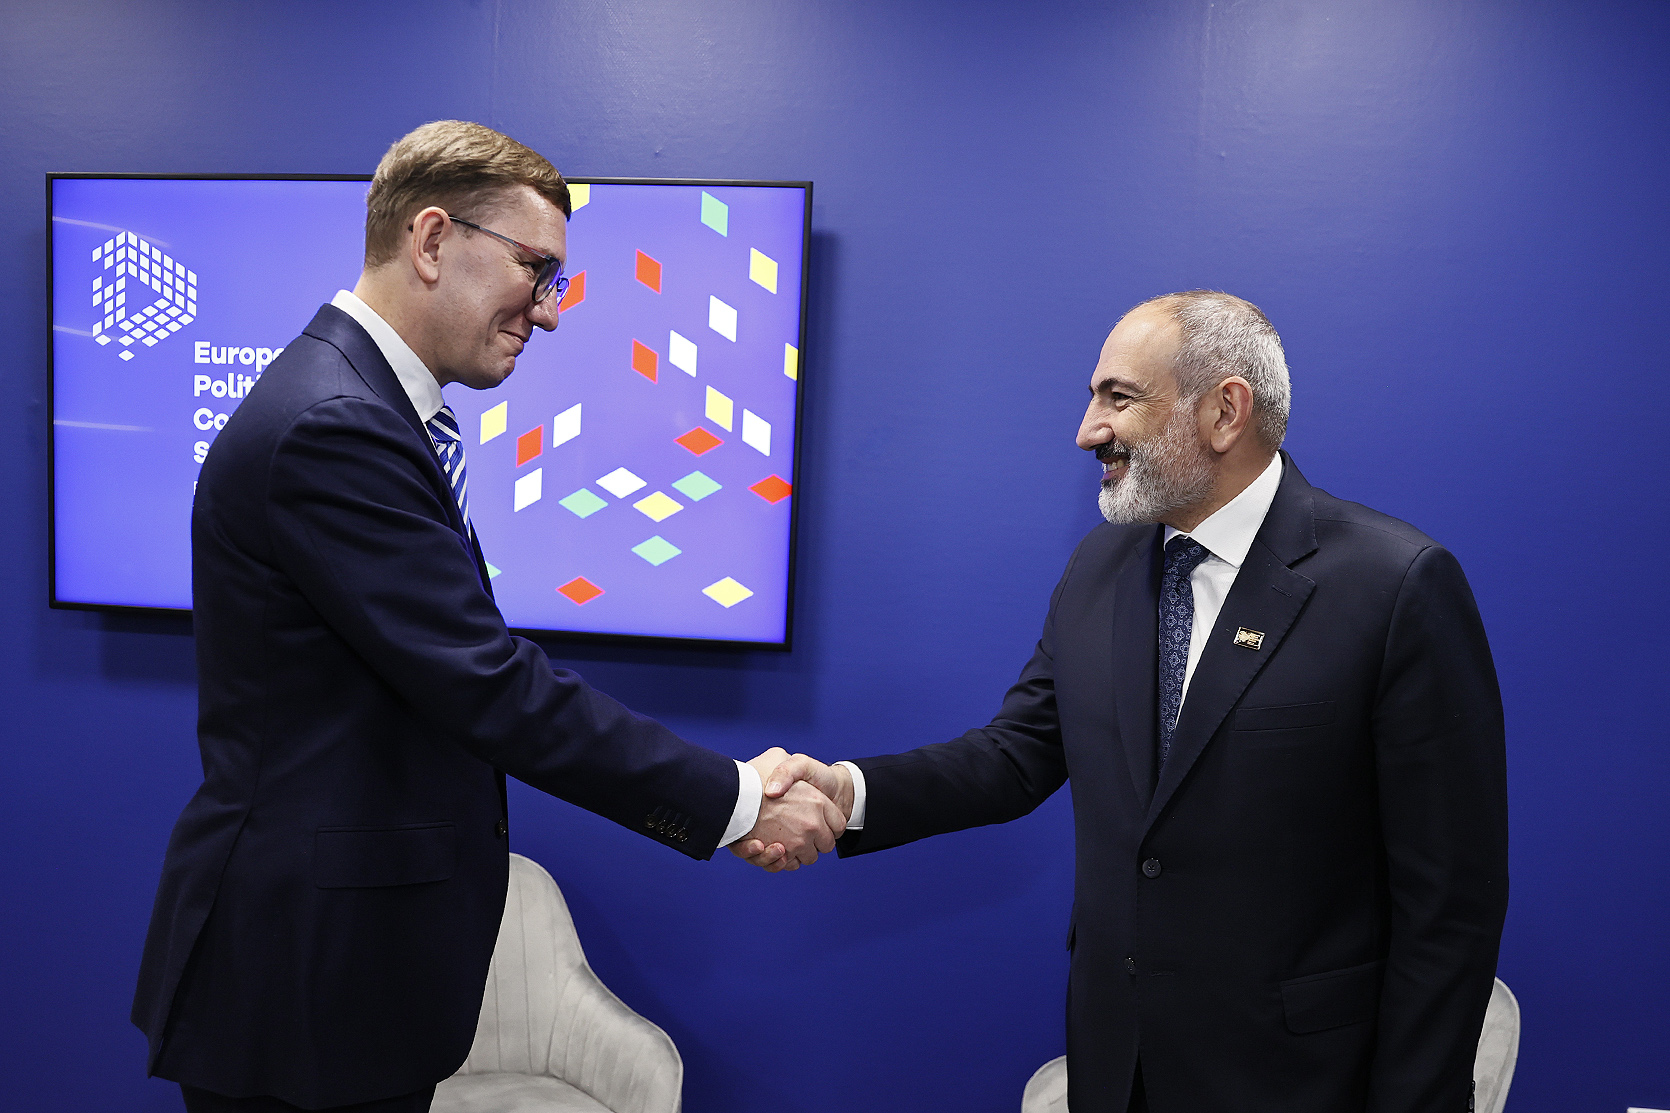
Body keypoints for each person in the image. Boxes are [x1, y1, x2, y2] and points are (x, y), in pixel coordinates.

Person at [131, 121, 845, 1113]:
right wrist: (733, 799)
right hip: (304, 982)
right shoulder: (335, 424)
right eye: (536, 269)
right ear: (431, 240)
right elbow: (490, 684)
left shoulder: (359, 404)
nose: (548, 312)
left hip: (337, 977)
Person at [744, 291, 1510, 1113]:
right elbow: (1013, 755)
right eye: (1093, 397)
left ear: (1225, 412)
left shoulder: (1394, 585)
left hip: (1303, 1080)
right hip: (1120, 1069)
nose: (1088, 430)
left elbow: (1451, 902)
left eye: (1119, 397)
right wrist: (848, 791)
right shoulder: (1100, 567)